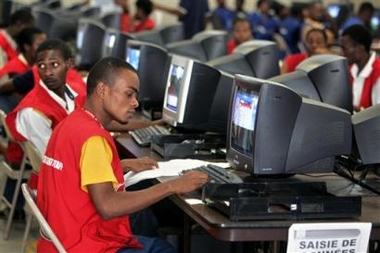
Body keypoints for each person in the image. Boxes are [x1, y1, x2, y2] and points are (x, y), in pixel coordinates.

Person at [37, 56, 208, 252]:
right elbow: (108, 206)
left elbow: (76, 170)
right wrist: (172, 186)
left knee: (145, 220)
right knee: (162, 247)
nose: (135, 103)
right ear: (102, 90)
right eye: (129, 94)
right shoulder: (93, 139)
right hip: (84, 244)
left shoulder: (71, 123)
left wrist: (118, 165)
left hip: (59, 238)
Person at [340, 24, 380, 112]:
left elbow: (377, 116)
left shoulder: (378, 73)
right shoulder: (348, 70)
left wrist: (352, 109)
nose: (342, 53)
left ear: (360, 48)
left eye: (344, 48)